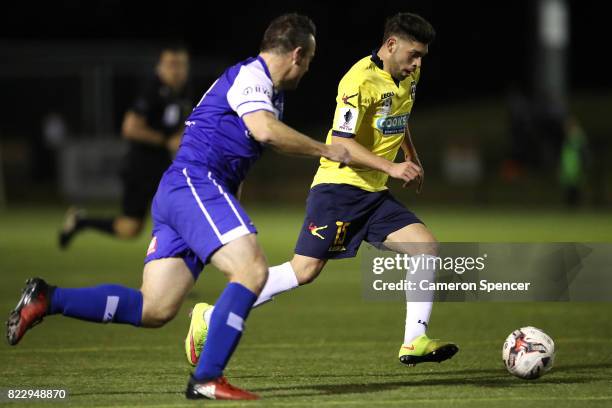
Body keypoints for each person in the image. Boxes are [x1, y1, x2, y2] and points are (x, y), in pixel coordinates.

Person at [6, 14, 350, 400]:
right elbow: (265, 131)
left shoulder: (268, 92)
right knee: (251, 271)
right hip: (195, 184)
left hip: (182, 192)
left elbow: (241, 146)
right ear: (297, 54)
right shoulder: (253, 77)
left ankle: (48, 299)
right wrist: (326, 149)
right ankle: (207, 377)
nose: (308, 70)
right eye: (310, 61)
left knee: (155, 307)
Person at [186, 12, 458, 369]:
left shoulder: (410, 74)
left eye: (422, 56)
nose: (418, 63)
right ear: (391, 45)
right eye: (414, 54)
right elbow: (344, 142)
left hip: (373, 194)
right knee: (304, 271)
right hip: (340, 189)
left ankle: (414, 341)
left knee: (425, 247)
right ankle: (210, 316)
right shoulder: (357, 82)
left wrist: (410, 154)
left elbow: (398, 117)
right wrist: (392, 167)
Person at [59, 45, 192, 248]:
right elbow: (129, 128)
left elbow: (180, 126)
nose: (177, 70)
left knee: (174, 210)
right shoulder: (152, 91)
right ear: (160, 67)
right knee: (131, 228)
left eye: (181, 65)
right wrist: (165, 141)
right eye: (171, 65)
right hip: (141, 167)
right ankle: (81, 222)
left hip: (161, 164)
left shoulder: (180, 94)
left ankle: (181, 254)